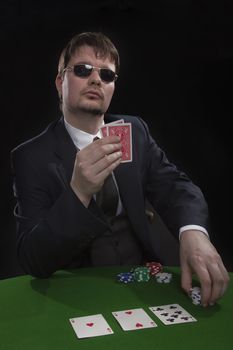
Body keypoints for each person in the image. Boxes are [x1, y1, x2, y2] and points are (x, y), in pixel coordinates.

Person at [11, 31, 229, 307]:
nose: (95, 79)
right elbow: (33, 258)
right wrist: (78, 192)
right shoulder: (31, 156)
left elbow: (175, 186)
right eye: (82, 70)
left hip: (142, 280)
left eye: (107, 75)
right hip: (74, 292)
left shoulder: (134, 131)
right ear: (59, 82)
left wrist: (194, 232)